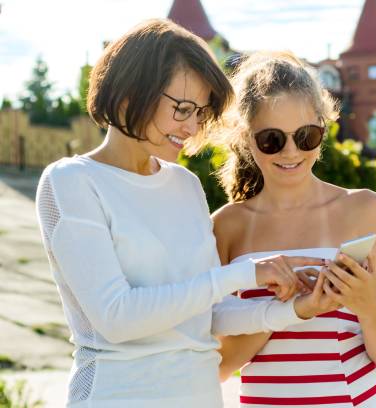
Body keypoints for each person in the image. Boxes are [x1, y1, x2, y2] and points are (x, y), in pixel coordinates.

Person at [35, 20, 332, 407]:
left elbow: (206, 314)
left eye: (200, 113)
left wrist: (296, 307)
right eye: (182, 109)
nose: (192, 127)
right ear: (128, 93)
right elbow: (117, 318)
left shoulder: (185, 185)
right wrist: (243, 273)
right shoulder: (72, 181)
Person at [210, 52, 376, 407]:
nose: (291, 151)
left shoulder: (367, 209)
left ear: (323, 130)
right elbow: (219, 366)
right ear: (246, 138)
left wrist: (366, 303)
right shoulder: (224, 226)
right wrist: (289, 308)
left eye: (306, 136)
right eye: (271, 139)